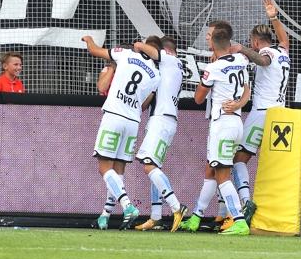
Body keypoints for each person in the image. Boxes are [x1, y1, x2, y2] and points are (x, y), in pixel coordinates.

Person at [82, 34, 160, 230]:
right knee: (118, 170)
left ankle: (127, 206)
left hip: (114, 116)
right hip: (133, 121)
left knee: (104, 167)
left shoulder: (124, 54)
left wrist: (89, 39)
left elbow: (93, 51)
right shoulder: (156, 74)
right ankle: (105, 215)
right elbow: (144, 104)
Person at [179, 25, 250, 235]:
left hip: (222, 124)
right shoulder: (240, 60)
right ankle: (196, 218)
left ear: (212, 44)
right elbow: (247, 90)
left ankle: (239, 220)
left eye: (209, 38)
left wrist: (205, 82)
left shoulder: (215, 68)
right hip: (236, 121)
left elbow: (198, 98)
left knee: (222, 176)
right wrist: (238, 104)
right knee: (211, 170)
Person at [231, 0, 290, 224]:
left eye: (250, 43)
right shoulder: (283, 50)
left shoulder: (269, 53)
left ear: (256, 42)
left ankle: (246, 202)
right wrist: (273, 17)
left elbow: (263, 60)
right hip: (280, 116)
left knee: (237, 160)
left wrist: (242, 50)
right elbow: (284, 38)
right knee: (275, 165)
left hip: (262, 113)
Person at [129, 34, 187, 232]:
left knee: (149, 166)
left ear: (167, 52)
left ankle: (176, 207)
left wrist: (139, 47)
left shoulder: (170, 60)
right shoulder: (173, 68)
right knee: (153, 167)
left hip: (161, 119)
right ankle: (156, 216)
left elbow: (139, 46)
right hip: (166, 119)